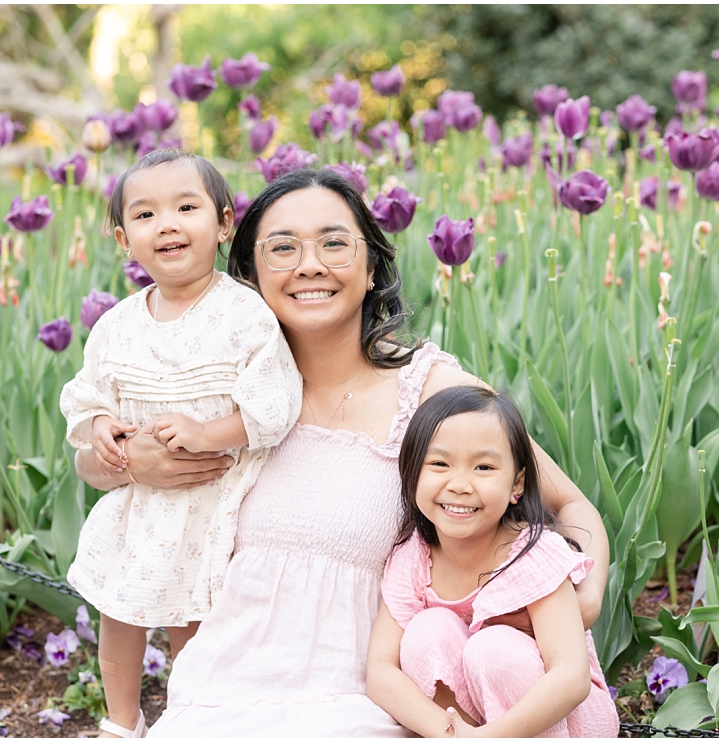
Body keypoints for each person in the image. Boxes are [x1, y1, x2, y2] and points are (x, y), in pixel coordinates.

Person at [72, 168, 608, 736]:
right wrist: (130, 463)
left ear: (371, 264)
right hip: (220, 689)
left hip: (373, 696)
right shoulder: (216, 396)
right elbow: (95, 460)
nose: (310, 265)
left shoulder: (430, 391)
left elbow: (569, 505)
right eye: (282, 248)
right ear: (249, 271)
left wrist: (582, 595)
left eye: (334, 243)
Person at [59, 149, 303, 738]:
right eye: (145, 215)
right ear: (124, 239)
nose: (166, 224)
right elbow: (89, 393)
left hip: (210, 503)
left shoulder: (244, 314)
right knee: (118, 616)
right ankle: (121, 721)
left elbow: (274, 403)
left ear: (223, 224)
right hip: (138, 508)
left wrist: (207, 433)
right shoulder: (117, 323)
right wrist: (99, 428)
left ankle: (187, 719)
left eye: (186, 207)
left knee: (191, 624)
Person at [366, 386, 618, 737]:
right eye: (440, 463)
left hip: (566, 723)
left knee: (493, 648)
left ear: (517, 484)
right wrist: (449, 733)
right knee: (426, 631)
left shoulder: (531, 554)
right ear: (412, 474)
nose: (460, 484)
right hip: (473, 727)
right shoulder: (415, 557)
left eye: (483, 467)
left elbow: (570, 677)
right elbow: (380, 670)